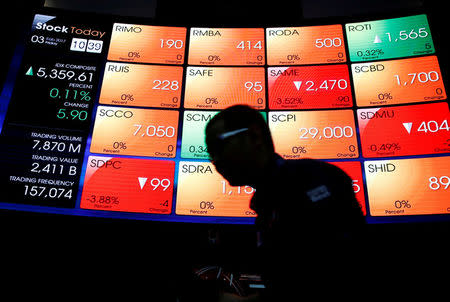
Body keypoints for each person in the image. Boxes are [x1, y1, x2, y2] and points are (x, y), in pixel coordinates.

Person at [205, 105, 366, 301]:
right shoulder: (270, 204)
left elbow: (323, 279)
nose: (215, 160)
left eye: (218, 146)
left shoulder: (312, 180)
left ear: (254, 136)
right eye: (210, 153)